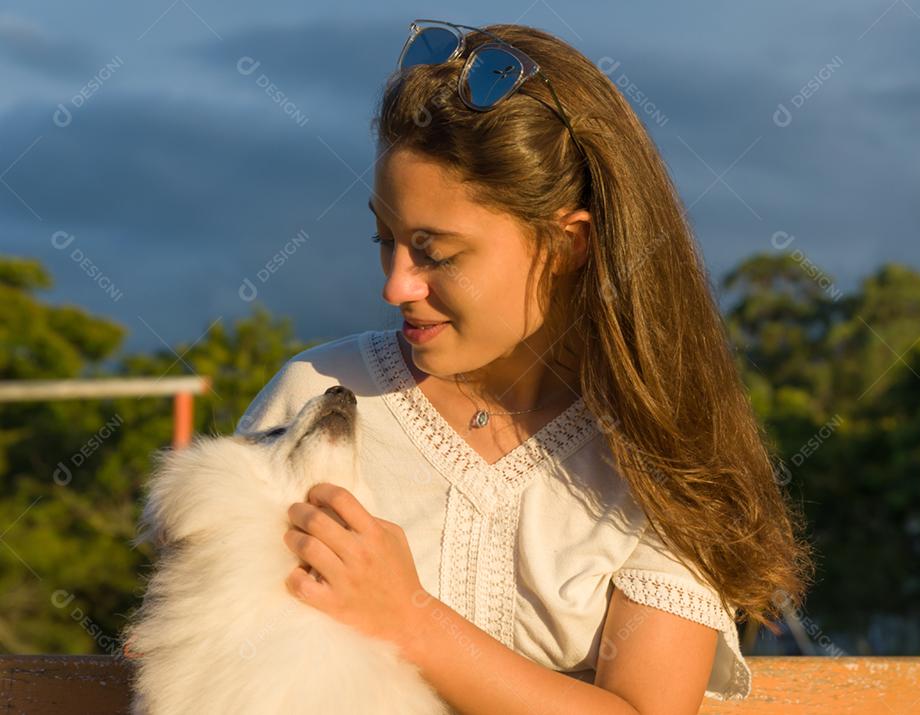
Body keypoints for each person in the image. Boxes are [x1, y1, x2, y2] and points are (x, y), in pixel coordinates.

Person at [236, 19, 814, 715]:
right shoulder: (318, 399)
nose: (396, 285)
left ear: (568, 245)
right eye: (384, 238)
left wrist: (410, 618)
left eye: (436, 252)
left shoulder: (660, 453)